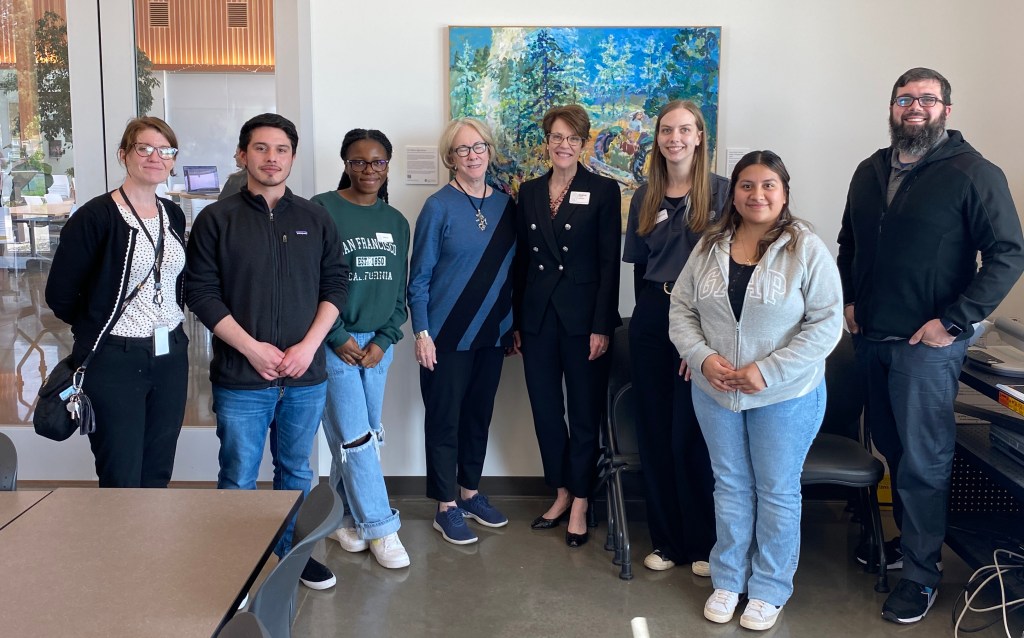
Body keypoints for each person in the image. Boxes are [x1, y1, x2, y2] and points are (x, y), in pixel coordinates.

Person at [837, 67, 1024, 624]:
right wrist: (850, 298)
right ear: (892, 108)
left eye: (926, 99)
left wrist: (955, 321)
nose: (914, 107)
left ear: (946, 108)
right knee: (894, 452)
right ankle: (915, 546)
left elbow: (1008, 254)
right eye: (904, 98)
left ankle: (920, 578)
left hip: (927, 349)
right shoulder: (871, 170)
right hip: (871, 340)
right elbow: (848, 240)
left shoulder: (974, 173)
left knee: (924, 464)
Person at [669, 151, 843, 631]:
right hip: (715, 391)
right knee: (729, 485)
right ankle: (729, 577)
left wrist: (768, 370)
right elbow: (681, 310)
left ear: (784, 192)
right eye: (747, 185)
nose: (757, 194)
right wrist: (701, 357)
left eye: (768, 185)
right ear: (734, 193)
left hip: (784, 396)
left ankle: (769, 588)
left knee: (777, 490)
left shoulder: (805, 248)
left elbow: (826, 325)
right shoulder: (709, 245)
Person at [185, 113, 349, 590]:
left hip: (305, 375)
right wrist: (252, 349)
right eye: (260, 148)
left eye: (280, 149)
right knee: (237, 474)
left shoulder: (316, 217)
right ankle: (239, 565)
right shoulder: (217, 219)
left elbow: (336, 285)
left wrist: (308, 346)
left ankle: (292, 557)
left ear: (292, 158)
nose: (271, 158)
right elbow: (200, 293)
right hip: (242, 376)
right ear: (242, 155)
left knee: (296, 470)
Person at [46, 116, 189, 488]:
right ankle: (121, 546)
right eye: (144, 148)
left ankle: (152, 545)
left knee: (158, 465)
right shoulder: (95, 217)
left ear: (173, 159)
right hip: (115, 358)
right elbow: (60, 295)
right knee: (121, 471)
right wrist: (99, 326)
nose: (155, 157)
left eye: (165, 150)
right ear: (124, 154)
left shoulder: (172, 214)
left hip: (170, 353)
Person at [622, 100, 727, 574]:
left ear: (700, 136)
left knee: (694, 436)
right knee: (655, 432)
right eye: (667, 130)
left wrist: (702, 341)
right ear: (657, 138)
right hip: (651, 316)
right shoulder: (644, 196)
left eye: (685, 130)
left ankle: (703, 543)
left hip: (703, 322)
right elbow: (640, 269)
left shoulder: (723, 195)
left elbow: (731, 273)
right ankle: (665, 542)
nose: (675, 138)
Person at [513, 104, 621, 547]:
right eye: (556, 137)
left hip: (583, 321)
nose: (563, 145)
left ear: (584, 143)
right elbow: (522, 261)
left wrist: (602, 325)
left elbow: (609, 264)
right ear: (547, 141)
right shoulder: (530, 191)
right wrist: (518, 320)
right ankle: (558, 491)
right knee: (544, 412)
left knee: (582, 413)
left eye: (572, 138)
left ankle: (581, 499)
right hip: (538, 318)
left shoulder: (603, 189)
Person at [408, 117, 516, 545]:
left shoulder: (506, 205)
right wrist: (421, 332)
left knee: (478, 417)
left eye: (478, 147)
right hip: (445, 337)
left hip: (492, 335)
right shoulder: (437, 206)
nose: (472, 156)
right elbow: (418, 278)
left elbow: (513, 272)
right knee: (444, 420)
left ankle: (470, 493)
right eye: (461, 150)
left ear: (489, 150)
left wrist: (513, 326)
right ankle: (445, 506)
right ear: (449, 158)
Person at [311, 128, 411, 569]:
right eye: (358, 162)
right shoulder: (322, 210)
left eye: (377, 162)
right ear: (345, 163)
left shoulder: (395, 221)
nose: (369, 170)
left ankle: (339, 515)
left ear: (388, 165)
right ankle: (381, 528)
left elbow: (399, 295)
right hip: (335, 341)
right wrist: (337, 338)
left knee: (363, 438)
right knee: (355, 439)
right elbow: (310, 282)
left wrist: (386, 339)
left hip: (379, 345)